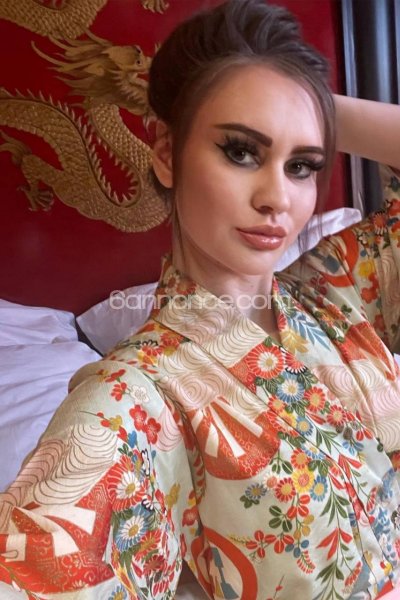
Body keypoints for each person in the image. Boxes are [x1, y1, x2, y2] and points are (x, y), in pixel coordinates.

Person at [1, 0, 400, 598]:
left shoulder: (336, 292)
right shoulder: (135, 399)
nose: (277, 197)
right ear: (166, 153)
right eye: (241, 150)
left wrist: (305, 99)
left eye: (302, 165)